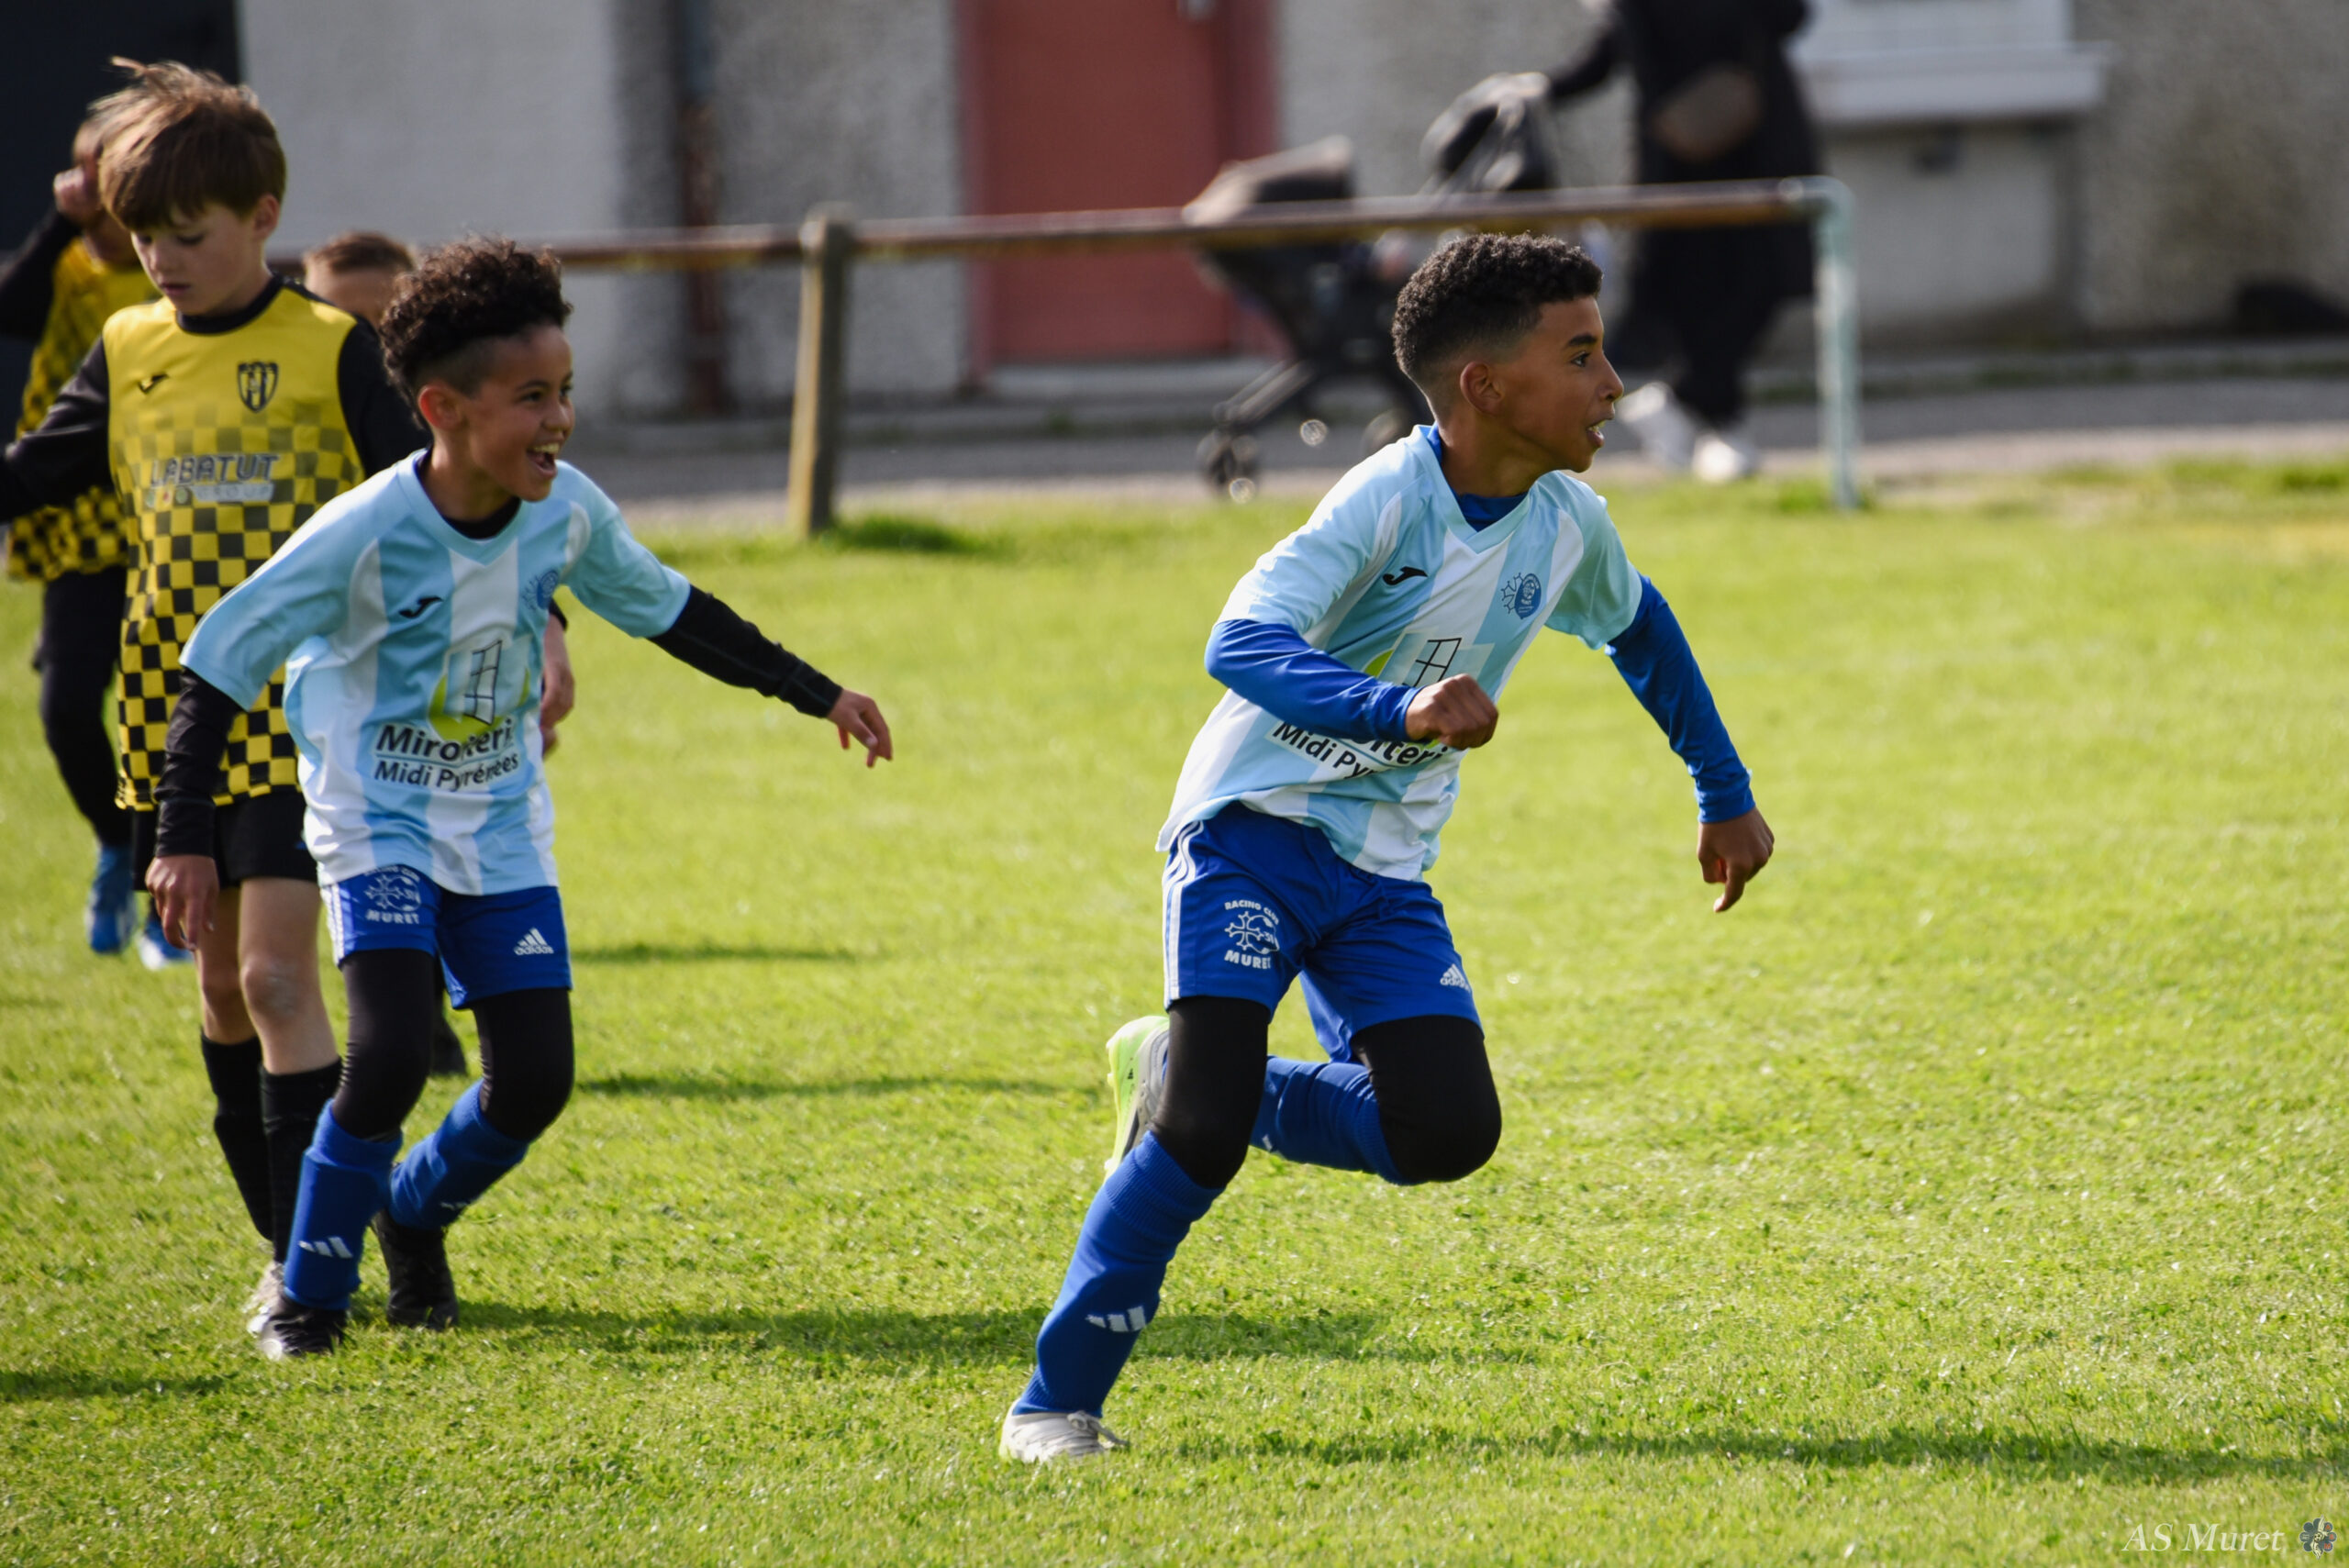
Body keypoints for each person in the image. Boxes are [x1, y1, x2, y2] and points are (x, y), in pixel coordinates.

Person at [997, 233, 1774, 1462]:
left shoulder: (1566, 523)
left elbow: (1641, 629)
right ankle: (1053, 1406)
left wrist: (1722, 791)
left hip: (1381, 867)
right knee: (1200, 1134)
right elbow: (1240, 641)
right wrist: (1395, 709)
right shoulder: (1386, 497)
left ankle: (1180, 1067)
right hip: (1252, 829)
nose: (1614, 384)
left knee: (1447, 1131)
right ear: (1486, 386)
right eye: (1581, 355)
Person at [150, 237, 894, 1359]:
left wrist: (819, 690)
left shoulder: (566, 512)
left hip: (498, 821)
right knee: (389, 1055)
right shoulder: (363, 531)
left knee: (536, 1079)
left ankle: (410, 1212)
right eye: (532, 398)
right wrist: (183, 836)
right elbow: (218, 657)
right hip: (375, 821)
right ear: (442, 409)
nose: (560, 420)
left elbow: (676, 612)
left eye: (566, 391)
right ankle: (307, 1294)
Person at [0, 61, 427, 1336]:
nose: (163, 260)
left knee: (281, 981)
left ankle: (310, 1275)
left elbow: (434, 499)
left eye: (189, 235)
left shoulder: (332, 348)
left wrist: (542, 622)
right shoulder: (128, 349)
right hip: (169, 724)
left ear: (264, 214)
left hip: (308, 713)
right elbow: (34, 471)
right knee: (225, 997)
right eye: (144, 237)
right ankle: (308, 1240)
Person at [300, 228, 578, 1080]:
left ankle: (425, 1032)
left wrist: (549, 632)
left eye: (378, 323)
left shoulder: (457, 438)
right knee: (297, 926)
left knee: (433, 824)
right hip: (313, 682)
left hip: (443, 712)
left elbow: (510, 538)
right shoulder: (316, 431)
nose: (365, 345)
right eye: (343, 322)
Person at [0, 98, 173, 962]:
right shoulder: (65, 264)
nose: (95, 186)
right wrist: (56, 224)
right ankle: (116, 839)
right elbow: (12, 311)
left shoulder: (173, 274)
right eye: (88, 168)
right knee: (68, 706)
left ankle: (167, 892)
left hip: (163, 516)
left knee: (168, 709)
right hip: (76, 520)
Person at [1544, 0, 1820, 481]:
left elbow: (1789, 15)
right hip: (1681, 162)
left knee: (1767, 283)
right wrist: (1538, 89)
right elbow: (1611, 51)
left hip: (1760, 154)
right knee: (1696, 296)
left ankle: (1687, 404)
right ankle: (1717, 425)